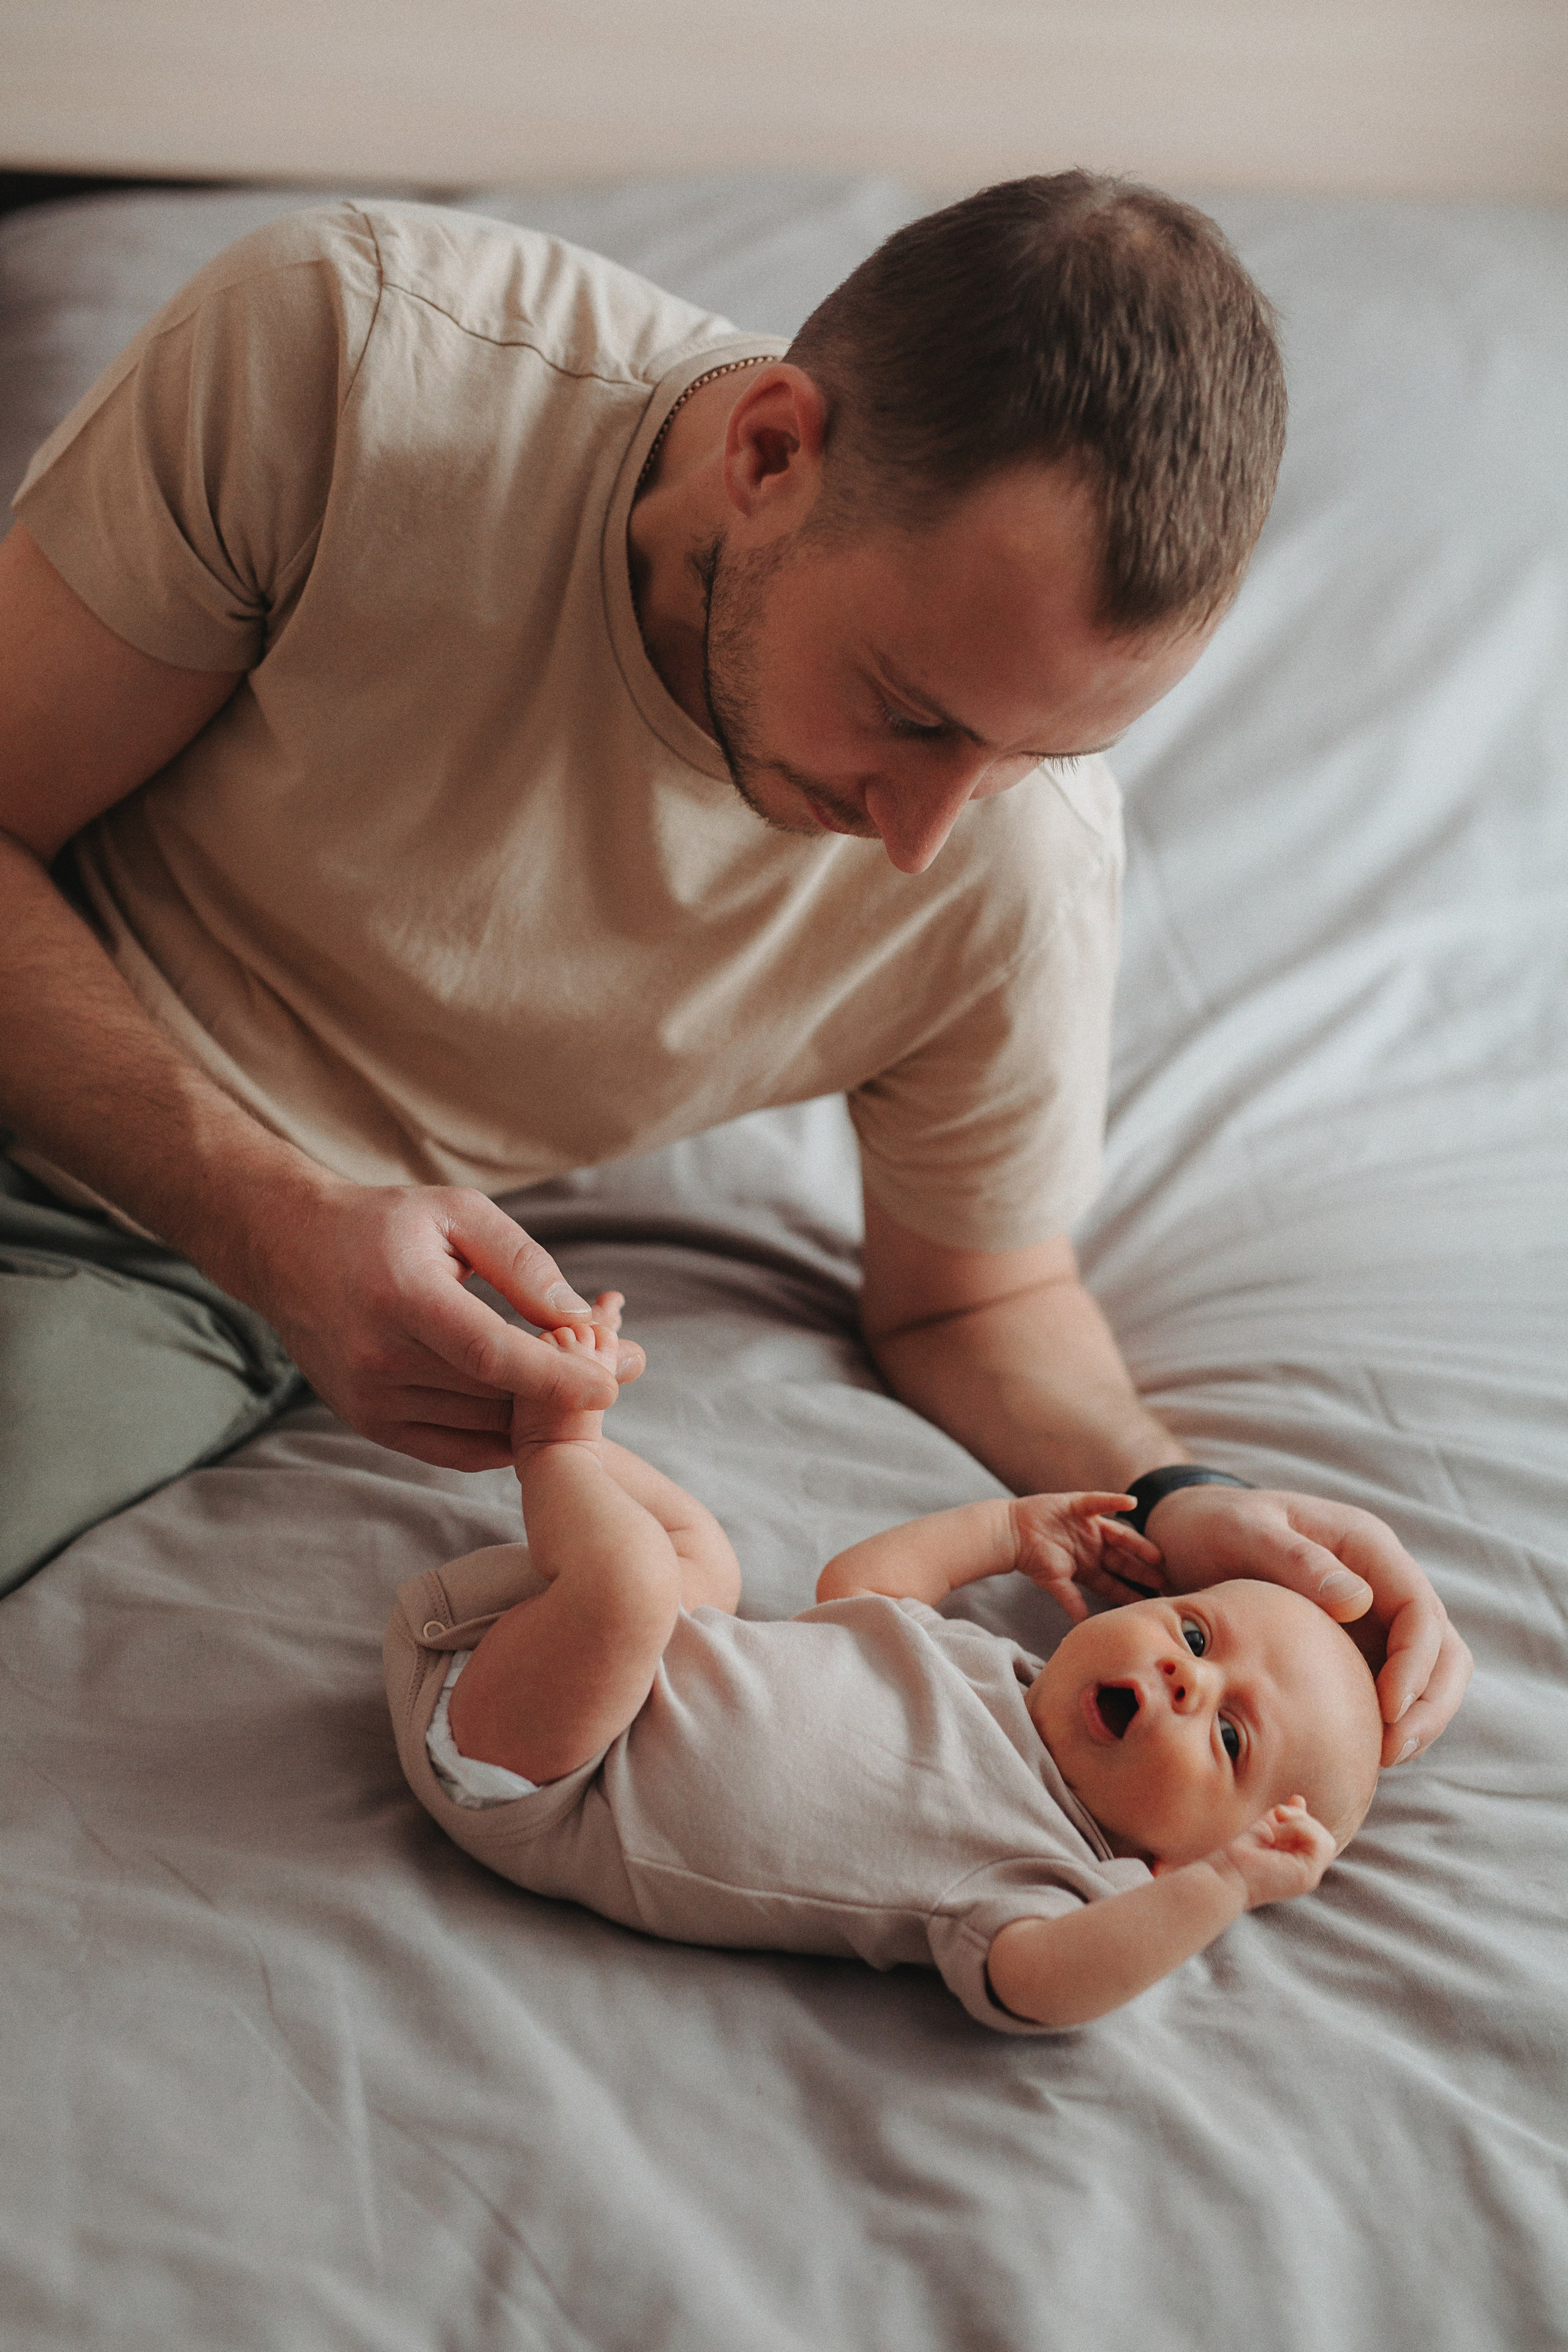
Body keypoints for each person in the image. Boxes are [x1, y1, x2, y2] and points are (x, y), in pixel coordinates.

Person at [0, 171, 1468, 1761]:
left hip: (151, 1275)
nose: (922, 836)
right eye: (914, 713)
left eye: (1035, 755)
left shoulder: (1014, 876)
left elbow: (974, 1305)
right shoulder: (350, 366)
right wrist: (273, 1216)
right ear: (770, 452)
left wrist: (1185, 1495)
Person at [384, 1303, 1387, 2031]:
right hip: (562, 1648)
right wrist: (1001, 1527)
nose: (1186, 1680)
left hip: (540, 1772)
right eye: (1197, 1639)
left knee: (640, 1584)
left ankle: (554, 1439)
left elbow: (1043, 1987)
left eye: (1227, 1734)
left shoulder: (1054, 1875)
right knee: (705, 1557)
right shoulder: (997, 1672)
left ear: (1175, 1859)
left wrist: (1219, 1894)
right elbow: (857, 1587)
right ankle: (579, 1440)